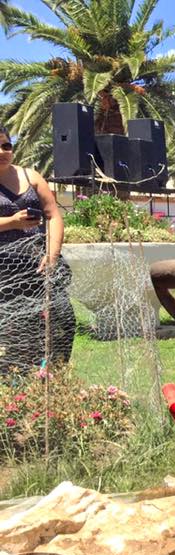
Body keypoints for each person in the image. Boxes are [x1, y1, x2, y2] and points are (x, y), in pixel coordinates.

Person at [0, 125, 75, 374]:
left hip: (39, 264)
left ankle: (54, 376)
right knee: (16, 330)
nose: (2, 151)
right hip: (5, 270)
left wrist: (51, 256)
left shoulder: (30, 176)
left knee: (64, 318)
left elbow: (53, 215)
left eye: (6, 145)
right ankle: (15, 387)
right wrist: (12, 222)